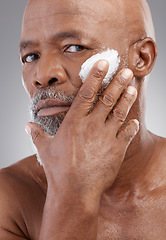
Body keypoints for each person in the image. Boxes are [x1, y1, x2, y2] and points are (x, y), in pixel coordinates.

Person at [0, 0, 166, 239]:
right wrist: (74, 191)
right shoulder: (9, 197)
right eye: (31, 56)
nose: (43, 75)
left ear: (142, 57)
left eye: (75, 47)